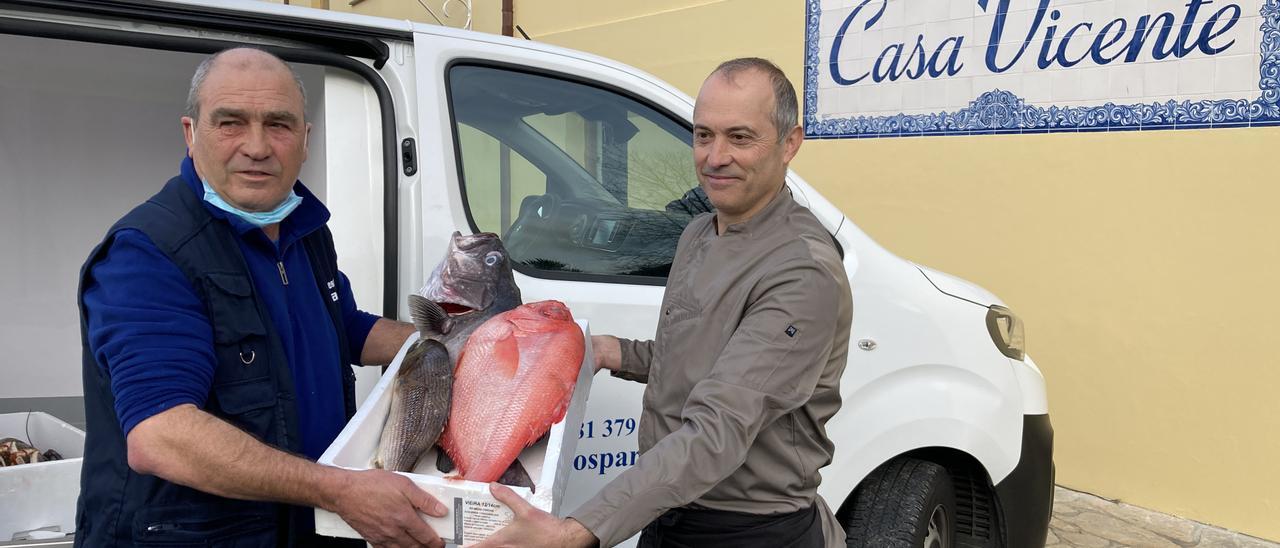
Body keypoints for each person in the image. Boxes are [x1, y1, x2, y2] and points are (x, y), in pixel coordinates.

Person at [474, 58, 853, 548]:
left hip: (745, 530)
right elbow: (691, 358)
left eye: (740, 137)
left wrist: (576, 532)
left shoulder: (801, 272)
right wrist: (609, 351)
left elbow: (718, 431)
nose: (715, 157)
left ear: (790, 143)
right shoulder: (700, 230)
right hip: (669, 510)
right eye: (703, 135)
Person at [75, 48, 447, 547]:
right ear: (191, 134)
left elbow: (344, 328)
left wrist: (458, 340)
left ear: (305, 140)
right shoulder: (149, 252)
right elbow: (160, 436)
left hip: (302, 526)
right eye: (231, 122)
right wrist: (339, 491)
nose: (257, 146)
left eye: (279, 124)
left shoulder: (303, 228)